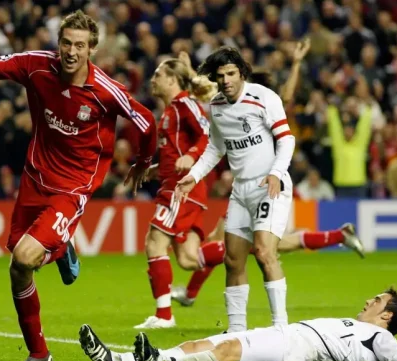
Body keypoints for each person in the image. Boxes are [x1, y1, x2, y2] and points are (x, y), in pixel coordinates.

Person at [0, 10, 157, 361]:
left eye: (80, 45)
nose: (71, 51)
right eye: (66, 43)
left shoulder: (105, 90)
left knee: (24, 257)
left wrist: (141, 162)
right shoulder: (34, 65)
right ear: (57, 43)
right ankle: (40, 355)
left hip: (71, 189)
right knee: (18, 269)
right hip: (34, 179)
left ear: (92, 49)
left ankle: (56, 249)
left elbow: (146, 121)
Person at [175, 46, 296, 333]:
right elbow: (215, 148)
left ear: (241, 73)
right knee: (232, 260)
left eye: (231, 73)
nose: (226, 80)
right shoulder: (216, 106)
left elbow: (286, 139)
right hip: (241, 191)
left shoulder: (264, 97)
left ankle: (282, 329)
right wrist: (194, 176)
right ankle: (237, 332)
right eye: (221, 76)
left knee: (265, 253)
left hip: (270, 186)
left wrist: (276, 173)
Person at [79, 288, 397, 361]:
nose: (369, 301)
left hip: (297, 346)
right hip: (287, 332)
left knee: (226, 353)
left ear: (388, 317)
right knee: (200, 343)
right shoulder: (361, 326)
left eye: (378, 301)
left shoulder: (380, 336)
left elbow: (395, 357)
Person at [134, 58, 226, 329]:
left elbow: (208, 134)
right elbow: (175, 152)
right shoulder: (170, 111)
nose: (153, 79)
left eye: (159, 74)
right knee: (188, 259)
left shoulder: (185, 104)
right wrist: (154, 169)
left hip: (182, 187)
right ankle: (243, 248)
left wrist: (191, 155)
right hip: (175, 183)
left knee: (154, 242)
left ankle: (163, 317)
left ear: (173, 80)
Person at [171, 222, 364, 306]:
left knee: (228, 248)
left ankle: (189, 295)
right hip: (259, 197)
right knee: (286, 243)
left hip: (259, 199)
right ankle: (341, 235)